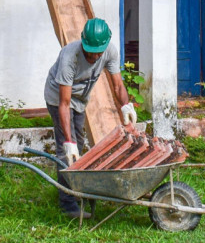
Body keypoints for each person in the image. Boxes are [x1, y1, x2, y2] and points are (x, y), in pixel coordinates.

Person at [44, 18, 138, 218]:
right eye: (91, 51)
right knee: (67, 148)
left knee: (79, 145)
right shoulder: (70, 56)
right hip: (58, 98)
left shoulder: (110, 52)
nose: (95, 56)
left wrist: (126, 106)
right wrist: (68, 141)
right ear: (83, 42)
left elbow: (118, 86)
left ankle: (74, 190)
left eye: (98, 51)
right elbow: (63, 103)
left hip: (80, 100)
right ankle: (68, 205)